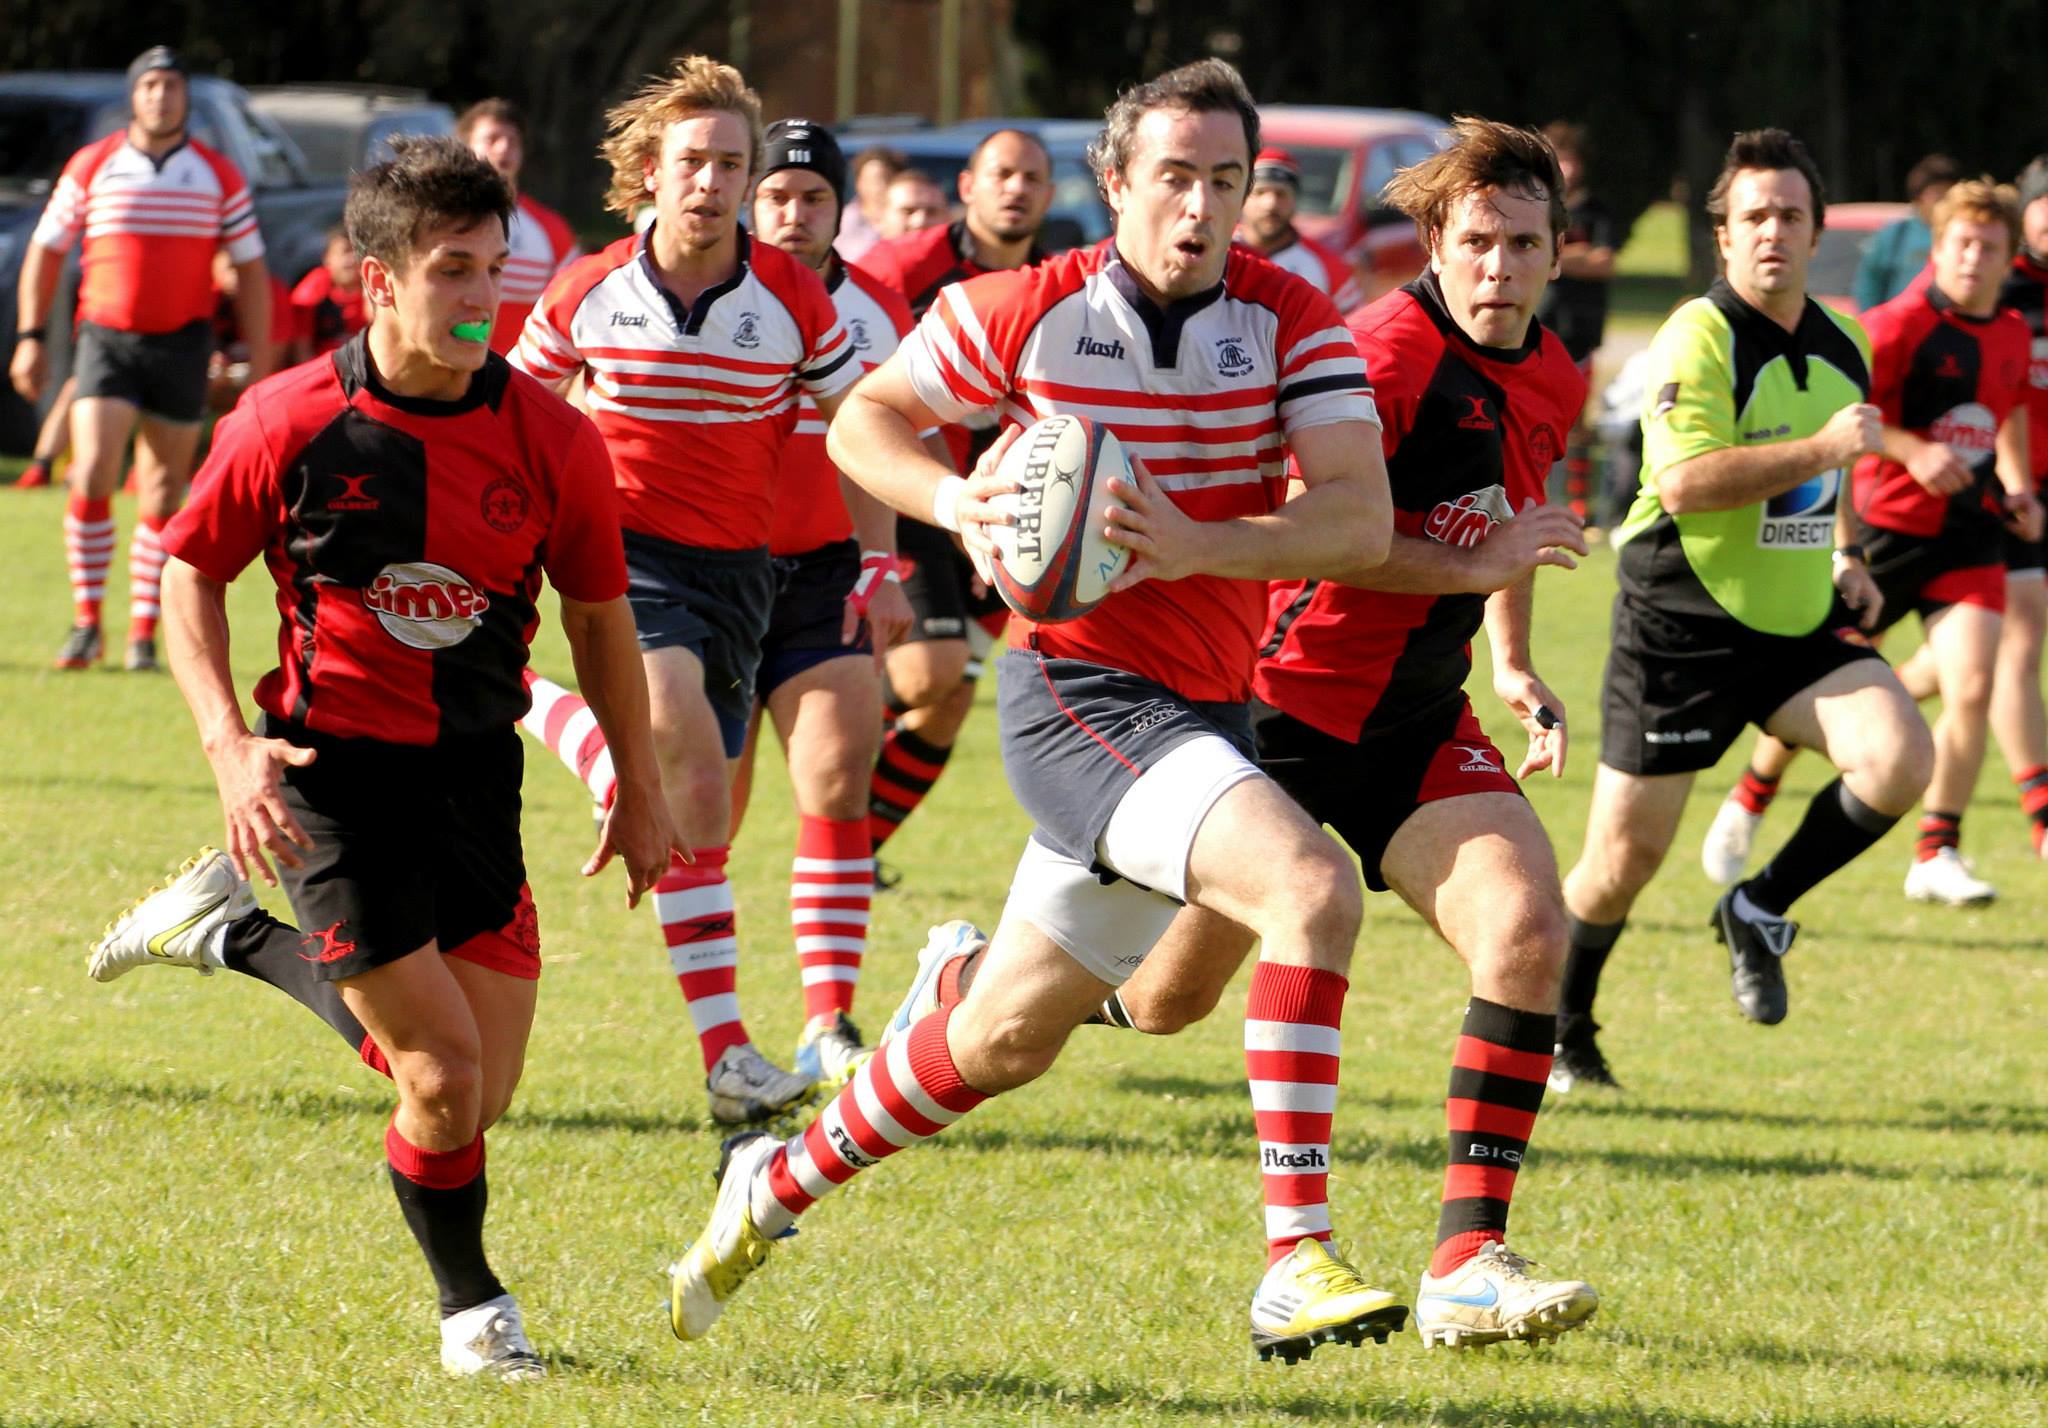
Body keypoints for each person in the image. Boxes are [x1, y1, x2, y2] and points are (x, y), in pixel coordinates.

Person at [667, 58, 1401, 1364]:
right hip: (1079, 694)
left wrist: (1186, 538)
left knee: (1007, 1037)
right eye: (1173, 177)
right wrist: (959, 506)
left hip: (1209, 710)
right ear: (1113, 183)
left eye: (1224, 181)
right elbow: (866, 420)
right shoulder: (1027, 309)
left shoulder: (1295, 318)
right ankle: (1295, 1258)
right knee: (1313, 891)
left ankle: (770, 1187)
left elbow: (1357, 516)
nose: (1199, 207)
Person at [883, 116, 1602, 1352]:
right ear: (1432, 241)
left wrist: (1515, 655)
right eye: (1475, 241)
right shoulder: (1373, 351)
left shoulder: (1553, 371)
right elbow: (1325, 526)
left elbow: (1507, 527)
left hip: (1415, 719)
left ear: (1554, 253)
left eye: (1522, 244)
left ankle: (1466, 1260)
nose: (1497, 266)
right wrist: (1464, 561)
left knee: (1528, 927)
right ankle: (968, 986)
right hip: (1271, 704)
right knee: (1162, 1003)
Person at [83, 136, 676, 1379]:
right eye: (452, 271)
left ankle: (230, 936)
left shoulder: (554, 442)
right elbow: (192, 569)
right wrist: (230, 748)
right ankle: (476, 1315)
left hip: (474, 783)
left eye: (494, 272)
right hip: (329, 780)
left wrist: (642, 782)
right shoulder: (289, 421)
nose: (481, 300)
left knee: (475, 1087)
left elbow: (599, 620)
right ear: (378, 284)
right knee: (442, 1075)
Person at [510, 58, 861, 1124]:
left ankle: (723, 1061)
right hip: (619, 556)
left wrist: (887, 557)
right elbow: (515, 418)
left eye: (729, 164)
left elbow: (859, 432)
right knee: (674, 746)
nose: (710, 183)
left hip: (740, 578)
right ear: (646, 177)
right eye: (691, 163)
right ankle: (730, 1053)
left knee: (697, 810)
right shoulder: (588, 290)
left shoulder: (792, 297)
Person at [1552, 129, 1934, 1090]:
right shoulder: (1699, 335)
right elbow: (1684, 484)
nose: (1773, 233)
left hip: (1798, 623)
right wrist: (1821, 453)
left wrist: (1847, 551)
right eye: (1753, 216)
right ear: (1723, 236)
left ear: (1815, 234)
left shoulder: (1843, 342)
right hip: (1681, 627)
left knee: (1899, 758)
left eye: (1790, 216)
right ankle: (1562, 1026)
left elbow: (1833, 466)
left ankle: (1758, 906)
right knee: (1620, 863)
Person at [1699, 181, 2037, 906]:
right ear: (1937, 249)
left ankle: (1936, 851)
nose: (1974, 258)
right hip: (1886, 535)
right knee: (1821, 688)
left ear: (2011, 259)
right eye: (1962, 244)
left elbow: (2006, 414)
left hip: (1970, 534)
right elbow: (1850, 422)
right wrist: (1914, 453)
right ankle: (1752, 794)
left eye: (1990, 247)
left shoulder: (2010, 330)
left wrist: (2018, 488)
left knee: (1972, 684)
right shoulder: (1892, 327)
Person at [9, 46, 274, 673]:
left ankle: (143, 635)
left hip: (182, 343)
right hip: (106, 338)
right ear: (134, 95)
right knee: (93, 469)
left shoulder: (217, 174)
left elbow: (251, 270)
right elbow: (45, 252)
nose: (161, 96)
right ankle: (86, 622)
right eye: (150, 85)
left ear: (187, 97)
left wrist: (260, 362)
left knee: (160, 489)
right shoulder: (94, 165)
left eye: (173, 86)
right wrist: (30, 336)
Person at [858, 129, 1053, 871]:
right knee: (929, 673)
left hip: (1009, 509)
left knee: (947, 703)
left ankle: (855, 852)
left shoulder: (1057, 279)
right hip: (917, 499)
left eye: (1033, 177)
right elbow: (861, 393)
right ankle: (827, 711)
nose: (1017, 188)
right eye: (1002, 173)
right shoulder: (901, 269)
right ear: (968, 186)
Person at [1995, 157, 2048, 854]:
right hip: (2010, 493)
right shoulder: (2003, 289)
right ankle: (2041, 811)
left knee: (1962, 667)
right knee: (2021, 639)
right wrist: (2015, 483)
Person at [1537, 122, 1617, 527]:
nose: (1566, 168)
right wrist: (1573, 255)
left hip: (1580, 331)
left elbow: (1605, 261)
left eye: (1571, 159)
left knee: (1578, 425)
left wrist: (1552, 256)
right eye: (1559, 158)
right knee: (1531, 417)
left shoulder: (1594, 209)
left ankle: (1580, 508)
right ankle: (1533, 500)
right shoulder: (1539, 207)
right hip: (1539, 327)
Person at [459, 98, 581, 354]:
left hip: (517, 379)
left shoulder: (551, 230)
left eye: (512, 141)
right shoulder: (438, 222)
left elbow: (573, 312)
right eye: (492, 139)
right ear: (466, 147)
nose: (503, 148)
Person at [1235, 147, 1363, 312]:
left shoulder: (1328, 267)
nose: (1271, 205)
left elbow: (1354, 330)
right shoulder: (1217, 253)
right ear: (1241, 197)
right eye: (1260, 192)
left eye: (1281, 194)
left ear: (1296, 199)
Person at [1853, 154, 1959, 312]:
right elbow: (1870, 284)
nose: (1945, 203)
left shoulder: (1963, 237)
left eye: (1950, 196)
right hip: (1900, 328)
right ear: (1918, 197)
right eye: (1938, 195)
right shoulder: (1896, 235)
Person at [289, 226, 369, 358]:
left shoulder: (375, 287)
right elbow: (302, 347)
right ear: (327, 258)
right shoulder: (315, 287)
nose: (352, 259)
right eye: (345, 251)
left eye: (357, 252)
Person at [835, 144, 905, 263]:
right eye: (871, 180)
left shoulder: (911, 219)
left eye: (886, 179)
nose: (879, 187)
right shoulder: (842, 221)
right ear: (858, 183)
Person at [879, 168, 951, 238]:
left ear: (948, 218)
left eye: (931, 212)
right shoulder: (869, 248)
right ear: (882, 217)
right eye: (907, 211)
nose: (920, 222)